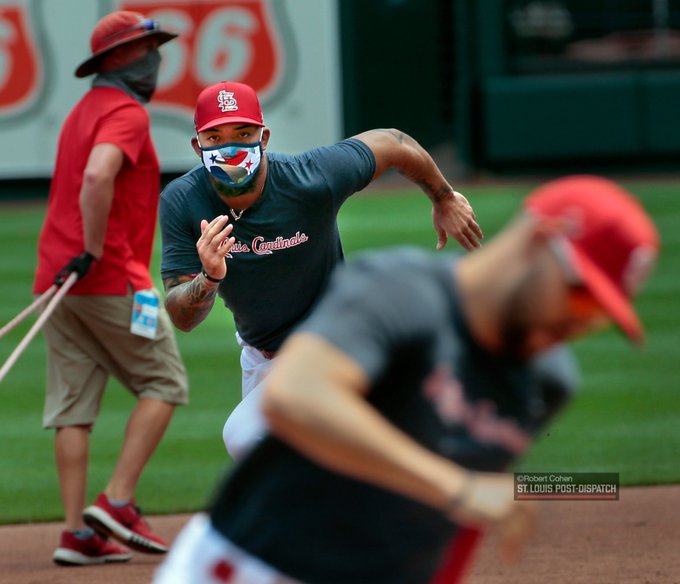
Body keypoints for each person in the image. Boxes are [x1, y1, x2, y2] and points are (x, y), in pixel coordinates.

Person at [153, 175, 659, 584]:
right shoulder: (398, 290)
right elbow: (294, 397)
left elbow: (445, 533)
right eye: (582, 296)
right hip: (248, 568)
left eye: (601, 315)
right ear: (541, 239)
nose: (581, 324)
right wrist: (457, 487)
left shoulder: (545, 380)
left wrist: (457, 498)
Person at [159, 80, 483, 460]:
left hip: (337, 336)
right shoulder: (182, 202)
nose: (230, 148)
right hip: (264, 354)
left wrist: (443, 196)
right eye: (215, 136)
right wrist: (209, 278)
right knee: (277, 461)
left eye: (243, 133)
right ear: (198, 146)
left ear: (263, 138)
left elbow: (394, 142)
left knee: (245, 436)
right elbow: (182, 315)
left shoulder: (309, 178)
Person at [32, 10, 188, 567]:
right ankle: (118, 502)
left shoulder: (83, 111)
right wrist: (96, 250)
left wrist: (79, 255)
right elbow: (99, 175)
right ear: (119, 58)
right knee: (165, 382)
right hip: (107, 274)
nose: (156, 59)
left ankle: (75, 533)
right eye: (147, 48)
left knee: (73, 409)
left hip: (57, 279)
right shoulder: (127, 112)